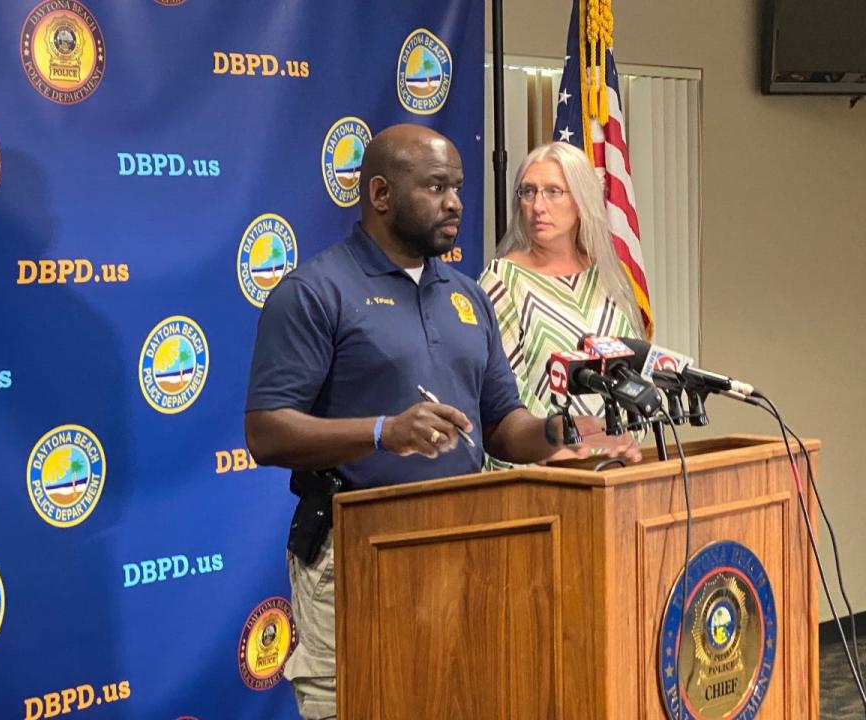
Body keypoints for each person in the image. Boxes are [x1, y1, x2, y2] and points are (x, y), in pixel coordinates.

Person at [244, 124, 639, 720]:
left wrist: (565, 431)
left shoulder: (466, 294)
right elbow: (266, 432)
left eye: (457, 186)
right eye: (436, 187)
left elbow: (504, 422)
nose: (456, 202)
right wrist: (383, 431)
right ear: (380, 195)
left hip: (465, 547)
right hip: (354, 556)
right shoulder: (315, 291)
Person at [479, 142, 645, 468]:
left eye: (554, 191)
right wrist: (555, 446)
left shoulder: (609, 278)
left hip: (616, 465)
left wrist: (621, 442)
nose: (538, 205)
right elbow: (504, 394)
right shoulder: (501, 280)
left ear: (581, 200)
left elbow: (632, 372)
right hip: (545, 471)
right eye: (528, 192)